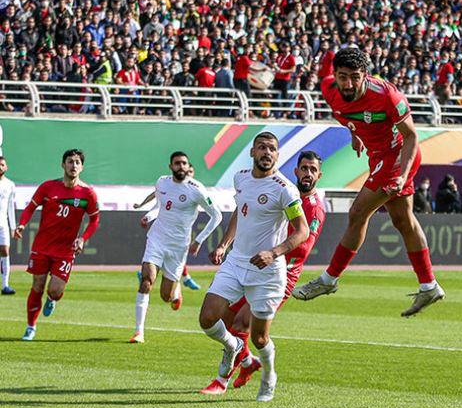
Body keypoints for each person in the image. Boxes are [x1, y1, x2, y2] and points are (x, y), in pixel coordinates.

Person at [294, 48, 444, 317]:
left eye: (355, 77)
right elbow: (349, 115)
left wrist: (401, 174)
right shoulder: (329, 88)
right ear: (334, 76)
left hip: (398, 156)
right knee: (403, 221)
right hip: (377, 156)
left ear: (365, 75)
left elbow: (411, 137)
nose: (348, 84)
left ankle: (329, 280)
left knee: (358, 212)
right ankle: (429, 285)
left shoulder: (387, 95)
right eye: (343, 77)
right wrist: (356, 133)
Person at [201, 150, 326, 395]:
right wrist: (226, 244)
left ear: (319, 175)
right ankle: (248, 364)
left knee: (244, 324)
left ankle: (222, 379)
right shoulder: (279, 190)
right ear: (296, 171)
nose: (308, 173)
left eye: (313, 170)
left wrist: (273, 253)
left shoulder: (314, 209)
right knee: (223, 319)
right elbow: (245, 212)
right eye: (304, 168)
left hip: (279, 273)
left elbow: (303, 248)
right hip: (251, 264)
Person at [130, 152, 223, 344]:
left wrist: (199, 240)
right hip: (156, 239)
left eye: (184, 163)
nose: (181, 166)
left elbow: (217, 215)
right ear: (170, 166)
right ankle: (139, 332)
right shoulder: (162, 182)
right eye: (177, 163)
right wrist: (148, 216)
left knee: (166, 296)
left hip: (179, 247)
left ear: (188, 166)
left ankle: (175, 293)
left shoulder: (196, 189)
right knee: (147, 280)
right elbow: (161, 205)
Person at [13, 149, 100, 341]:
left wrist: (83, 238)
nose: (73, 165)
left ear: (82, 167)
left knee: (54, 290)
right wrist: (21, 224)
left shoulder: (87, 193)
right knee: (37, 285)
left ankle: (52, 299)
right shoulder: (48, 187)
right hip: (42, 246)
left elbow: (94, 220)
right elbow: (30, 208)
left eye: (77, 162)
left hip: (66, 250)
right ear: (63, 165)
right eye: (70, 162)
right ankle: (30, 327)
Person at [132, 163, 204, 291]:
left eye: (191, 172)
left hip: (181, 235)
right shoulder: (168, 186)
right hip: (162, 233)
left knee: (173, 264)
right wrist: (145, 211)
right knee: (156, 265)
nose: (189, 174)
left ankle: (180, 284)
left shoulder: (195, 190)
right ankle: (183, 279)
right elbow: (157, 199)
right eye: (188, 171)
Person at [0, 156, 16, 295]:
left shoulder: (10, 185)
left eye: (2, 164)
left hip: (3, 223)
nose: (0, 167)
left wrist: (13, 227)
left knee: (5, 251)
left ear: (6, 167)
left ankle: (5, 285)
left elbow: (10, 207)